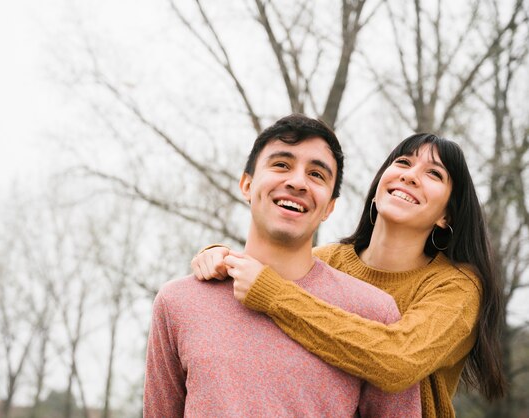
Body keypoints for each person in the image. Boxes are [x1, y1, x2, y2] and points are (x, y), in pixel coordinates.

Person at [192, 132, 507, 417]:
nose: (411, 176)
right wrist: (220, 257)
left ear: (446, 214)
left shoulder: (457, 287)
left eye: (434, 174)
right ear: (379, 184)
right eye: (403, 162)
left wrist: (274, 294)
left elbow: (398, 360)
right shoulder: (327, 260)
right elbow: (258, 277)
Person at [144, 114, 421, 417]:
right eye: (281, 165)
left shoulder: (374, 313)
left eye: (317, 175)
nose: (297, 182)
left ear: (329, 206)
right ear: (247, 184)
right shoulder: (179, 302)